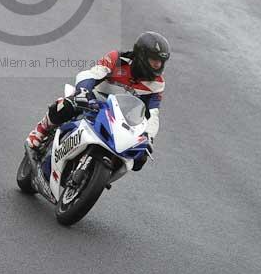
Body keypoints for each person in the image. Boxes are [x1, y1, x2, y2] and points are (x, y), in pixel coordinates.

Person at [26, 31, 171, 170]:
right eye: (154, 60)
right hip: (95, 101)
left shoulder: (157, 83)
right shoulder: (117, 59)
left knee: (140, 158)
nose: (158, 65)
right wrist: (83, 91)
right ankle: (41, 131)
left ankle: (100, 172)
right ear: (141, 55)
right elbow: (90, 74)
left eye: (161, 61)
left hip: (122, 117)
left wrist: (148, 135)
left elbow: (153, 113)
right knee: (68, 105)